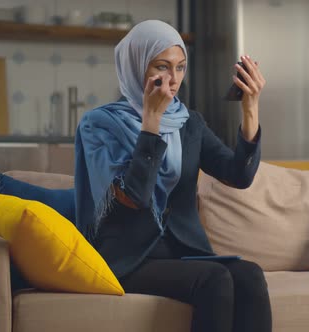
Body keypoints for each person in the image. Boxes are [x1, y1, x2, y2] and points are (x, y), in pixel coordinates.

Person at [74, 20, 271, 332]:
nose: (173, 78)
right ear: (136, 66)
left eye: (180, 67)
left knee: (250, 274)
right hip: (127, 258)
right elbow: (133, 196)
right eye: (162, 67)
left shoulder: (189, 122)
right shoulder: (99, 125)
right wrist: (151, 120)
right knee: (215, 279)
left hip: (183, 252)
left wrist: (250, 109)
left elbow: (239, 175)